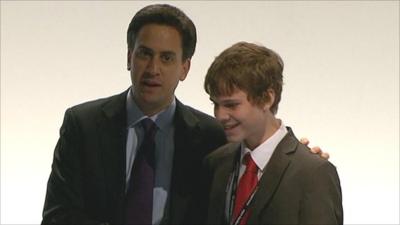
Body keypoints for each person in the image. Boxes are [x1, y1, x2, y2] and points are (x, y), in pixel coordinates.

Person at [42, 4, 329, 225]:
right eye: (144, 53)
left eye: (167, 58)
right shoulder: (83, 125)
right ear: (129, 56)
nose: (153, 68)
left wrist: (300, 159)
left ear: (185, 67)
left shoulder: (213, 136)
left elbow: (265, 165)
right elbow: (57, 216)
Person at [203, 42, 343, 225]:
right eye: (215, 104)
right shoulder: (216, 163)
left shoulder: (313, 173)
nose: (220, 115)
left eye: (231, 105)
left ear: (267, 98)